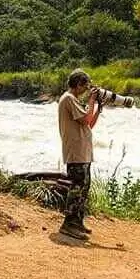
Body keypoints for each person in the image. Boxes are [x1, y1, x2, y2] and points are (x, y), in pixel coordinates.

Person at [57, 68, 102, 240]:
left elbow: (88, 123)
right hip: (76, 151)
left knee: (84, 187)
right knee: (77, 187)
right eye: (85, 86)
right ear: (78, 84)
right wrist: (92, 100)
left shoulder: (73, 100)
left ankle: (77, 222)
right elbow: (84, 119)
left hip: (82, 152)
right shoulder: (68, 98)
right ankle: (68, 224)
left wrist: (97, 107)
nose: (86, 90)